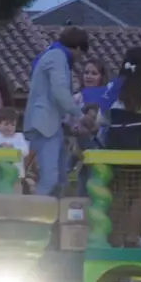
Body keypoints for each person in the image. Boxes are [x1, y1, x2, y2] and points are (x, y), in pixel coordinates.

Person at [25, 26, 88, 196]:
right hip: (45, 125)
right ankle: (37, 219)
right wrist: (80, 116)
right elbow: (60, 92)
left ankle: (54, 220)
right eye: (81, 54)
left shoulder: (52, 53)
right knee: (49, 179)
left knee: (62, 177)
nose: (80, 58)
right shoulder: (57, 57)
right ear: (78, 48)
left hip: (51, 125)